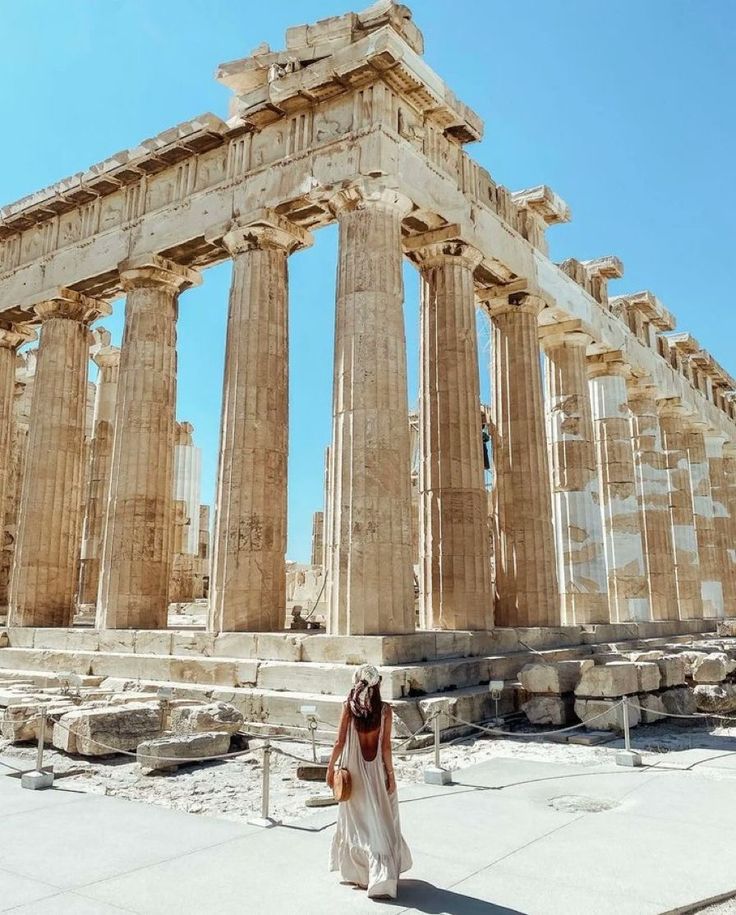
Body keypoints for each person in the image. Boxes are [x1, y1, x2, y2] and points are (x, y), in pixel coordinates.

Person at [327, 664, 412, 899]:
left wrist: (329, 767)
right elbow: (385, 747)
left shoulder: (348, 708)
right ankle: (379, 876)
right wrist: (391, 775)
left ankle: (360, 874)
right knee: (379, 820)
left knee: (356, 823)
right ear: (378, 685)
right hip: (375, 772)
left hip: (352, 771)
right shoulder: (385, 710)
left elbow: (339, 742)